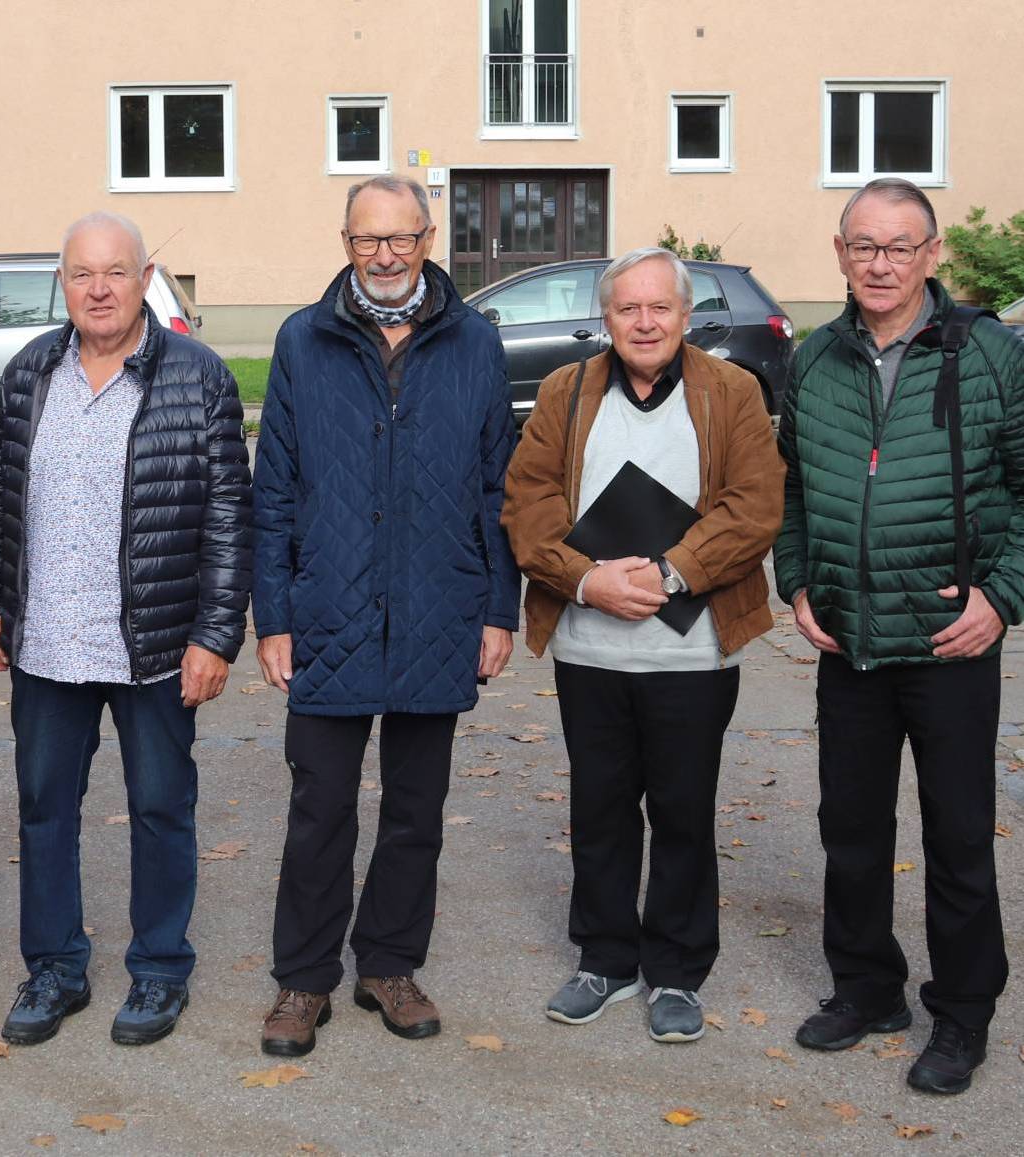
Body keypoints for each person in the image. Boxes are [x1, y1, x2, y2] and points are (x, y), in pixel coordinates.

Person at [251, 175, 518, 1057]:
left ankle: (389, 965)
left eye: (400, 239)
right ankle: (302, 979)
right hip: (327, 607)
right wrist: (273, 615)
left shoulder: (475, 341)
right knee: (319, 805)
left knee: (416, 808)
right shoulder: (303, 338)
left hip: (439, 608)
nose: (385, 256)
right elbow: (274, 488)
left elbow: (495, 487)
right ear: (345, 243)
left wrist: (496, 607)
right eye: (368, 241)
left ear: (428, 237)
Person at [0, 212, 251, 1048]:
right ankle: (54, 965)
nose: (98, 288)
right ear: (62, 281)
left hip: (158, 645)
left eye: (116, 272)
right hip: (48, 643)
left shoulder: (197, 376)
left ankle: (160, 967)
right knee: (43, 809)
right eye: (81, 273)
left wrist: (215, 634)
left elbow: (233, 515)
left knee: (162, 807)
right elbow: (2, 502)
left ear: (145, 278)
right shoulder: (30, 372)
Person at [775, 178, 1024, 1094]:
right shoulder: (812, 359)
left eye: (898, 247)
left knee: (958, 834)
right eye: (863, 247)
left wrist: (1002, 597)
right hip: (849, 643)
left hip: (953, 642)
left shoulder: (991, 355)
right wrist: (795, 580)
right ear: (840, 254)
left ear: (931, 255)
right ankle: (866, 987)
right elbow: (795, 488)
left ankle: (961, 1014)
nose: (880, 264)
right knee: (850, 827)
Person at [503, 247, 783, 1044]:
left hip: (692, 653)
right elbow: (527, 503)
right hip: (588, 648)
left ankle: (676, 971)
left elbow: (754, 506)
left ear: (685, 317)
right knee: (598, 811)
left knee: (683, 812)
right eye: (628, 309)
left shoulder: (731, 390)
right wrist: (587, 581)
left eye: (660, 307)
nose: (644, 321)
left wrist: (669, 571)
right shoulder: (564, 390)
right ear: (607, 318)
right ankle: (604, 959)